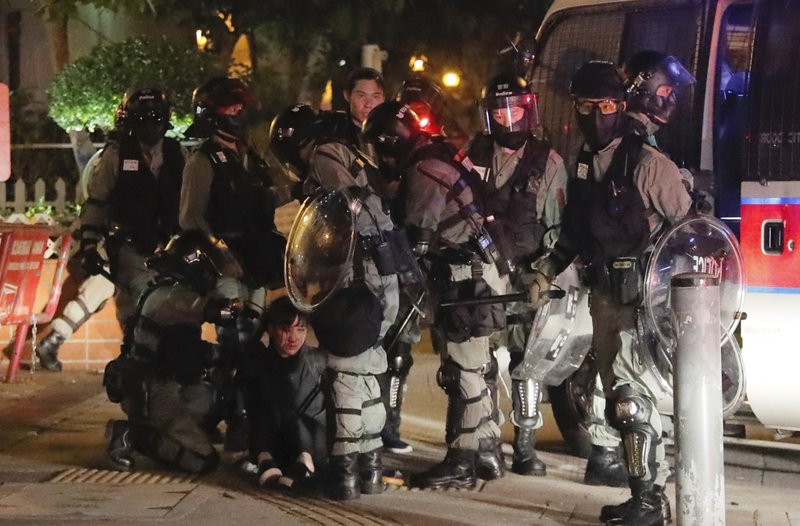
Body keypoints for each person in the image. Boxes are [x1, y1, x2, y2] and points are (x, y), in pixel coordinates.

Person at [529, 59, 693, 526]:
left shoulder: (648, 164)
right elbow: (575, 234)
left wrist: (668, 296)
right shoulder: (583, 162)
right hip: (603, 298)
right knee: (614, 398)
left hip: (642, 302)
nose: (598, 113)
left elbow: (690, 232)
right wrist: (546, 273)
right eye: (587, 104)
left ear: (622, 105)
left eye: (607, 104)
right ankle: (645, 495)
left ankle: (649, 500)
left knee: (629, 398)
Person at [363, 101, 506, 490]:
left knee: (463, 370)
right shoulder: (435, 156)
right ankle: (487, 450)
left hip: (467, 277)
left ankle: (462, 459)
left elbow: (417, 239)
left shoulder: (425, 171)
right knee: (474, 365)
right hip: (474, 273)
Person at [271, 102, 401, 501]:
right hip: (381, 283)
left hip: (358, 284)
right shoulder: (346, 153)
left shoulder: (326, 158)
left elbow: (347, 218)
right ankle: (370, 469)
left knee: (345, 375)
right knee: (366, 375)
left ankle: (345, 474)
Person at [456, 72, 568, 477]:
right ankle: (487, 439)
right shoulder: (473, 156)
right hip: (483, 272)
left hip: (527, 276)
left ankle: (525, 444)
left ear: (529, 108)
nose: (509, 118)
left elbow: (557, 227)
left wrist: (545, 274)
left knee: (527, 362)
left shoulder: (547, 162)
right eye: (500, 111)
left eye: (516, 108)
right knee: (481, 357)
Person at [180, 77, 291, 449]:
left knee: (254, 344)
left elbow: (262, 200)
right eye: (231, 109)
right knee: (235, 344)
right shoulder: (202, 160)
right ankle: (229, 419)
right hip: (226, 267)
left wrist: (297, 189)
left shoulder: (249, 154)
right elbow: (191, 219)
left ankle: (240, 417)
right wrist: (222, 255)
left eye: (240, 109)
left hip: (257, 264)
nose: (238, 116)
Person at [103, 229, 242, 474]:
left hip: (160, 382)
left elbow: (184, 348)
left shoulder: (162, 288)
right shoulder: (176, 298)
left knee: (216, 396)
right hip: (154, 392)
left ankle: (173, 429)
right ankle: (131, 435)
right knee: (202, 460)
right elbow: (225, 311)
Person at [78, 87, 186, 330]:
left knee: (179, 319)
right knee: (136, 318)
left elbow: (194, 203)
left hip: (174, 251)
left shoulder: (178, 154)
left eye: (155, 118)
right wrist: (88, 245)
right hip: (131, 250)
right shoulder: (115, 155)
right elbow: (97, 202)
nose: (149, 125)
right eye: (142, 119)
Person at [241, 296, 327, 490]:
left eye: (301, 329)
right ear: (271, 329)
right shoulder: (257, 362)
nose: (294, 338)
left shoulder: (317, 362)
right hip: (273, 442)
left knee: (289, 411)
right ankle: (265, 459)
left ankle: (304, 463)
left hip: (311, 442)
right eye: (286, 329)